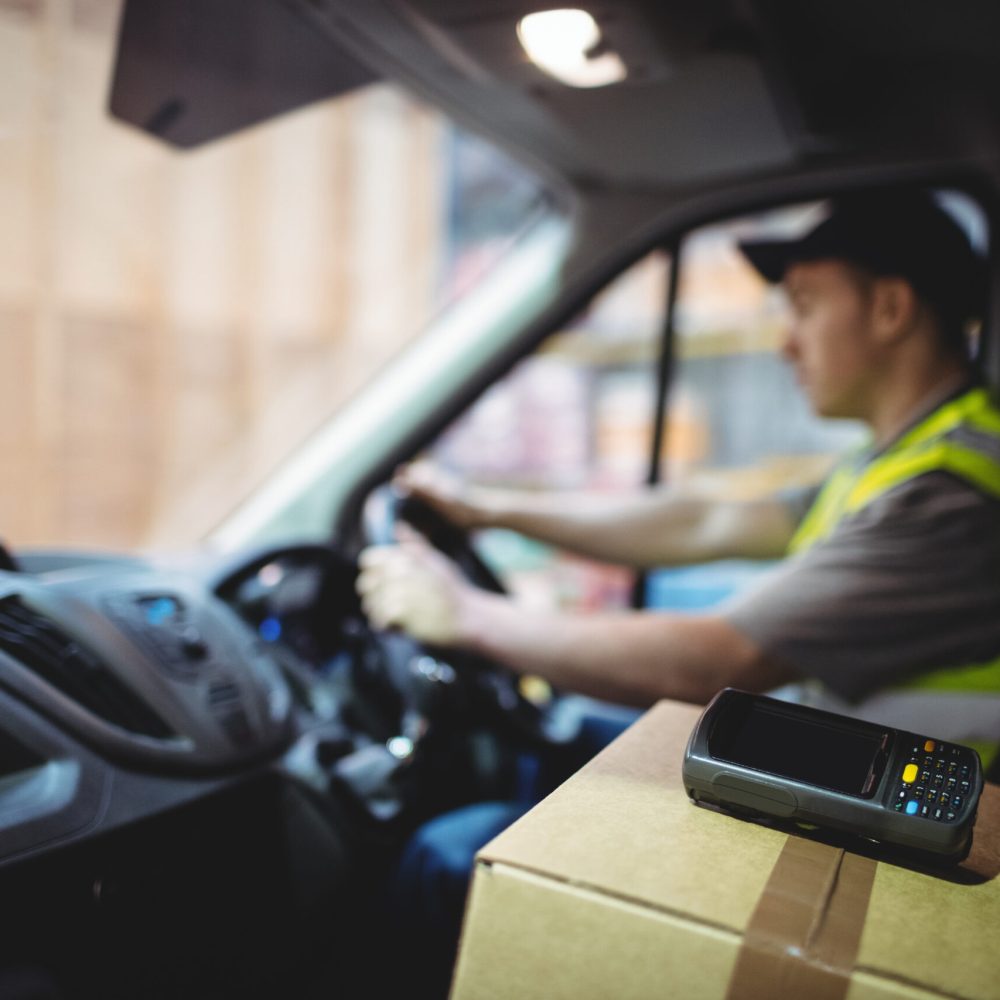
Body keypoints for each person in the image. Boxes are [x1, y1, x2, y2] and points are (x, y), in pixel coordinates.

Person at [357, 188, 1000, 992]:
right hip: (837, 791)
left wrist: (468, 614)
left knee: (447, 856)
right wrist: (492, 507)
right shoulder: (899, 457)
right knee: (564, 742)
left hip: (889, 848)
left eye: (803, 305)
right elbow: (702, 520)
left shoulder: (947, 492)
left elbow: (717, 658)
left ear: (891, 307)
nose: (785, 342)